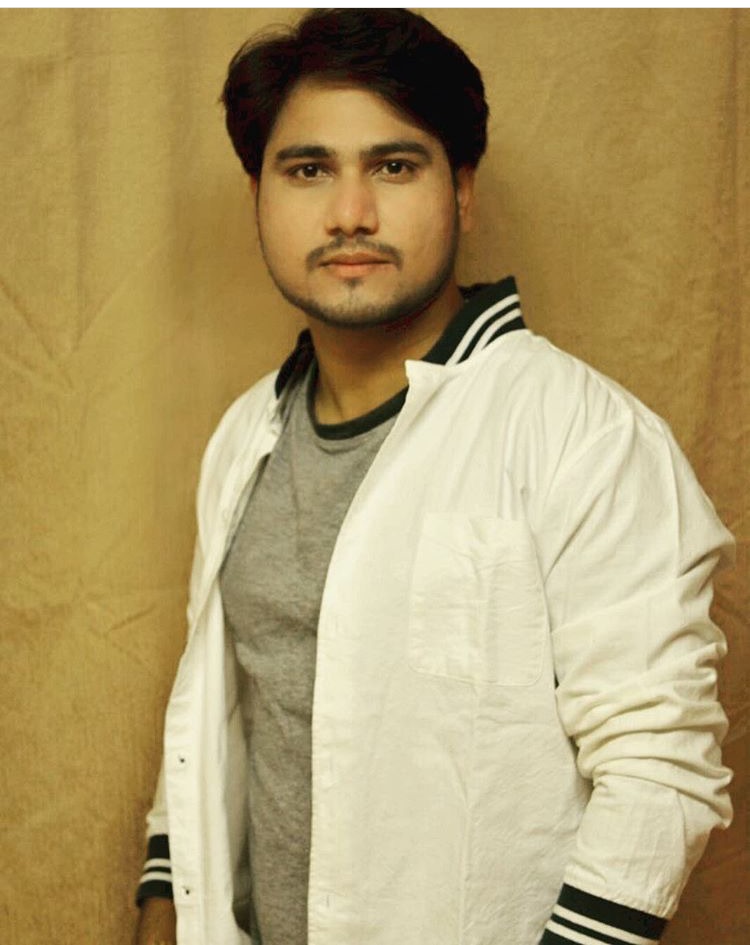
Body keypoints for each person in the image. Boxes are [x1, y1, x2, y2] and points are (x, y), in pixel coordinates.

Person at [134, 8, 734, 945]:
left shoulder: (583, 435)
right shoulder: (246, 434)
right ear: (258, 194)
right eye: (308, 170)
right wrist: (163, 907)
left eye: (394, 166)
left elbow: (659, 776)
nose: (350, 213)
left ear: (462, 191)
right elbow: (213, 715)